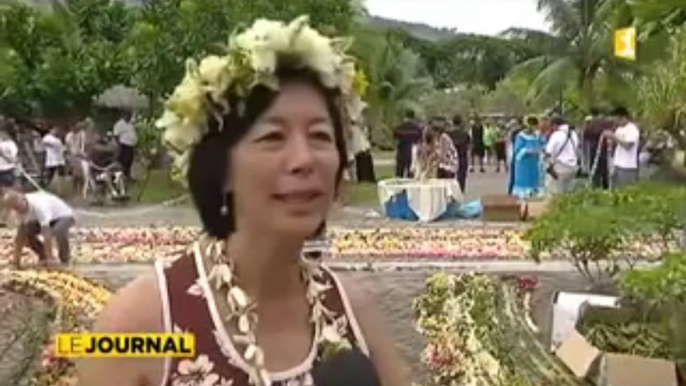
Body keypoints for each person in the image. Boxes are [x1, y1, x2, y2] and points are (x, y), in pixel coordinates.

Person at [77, 16, 408, 386]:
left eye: (319, 136)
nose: (304, 160)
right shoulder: (137, 323)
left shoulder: (352, 315)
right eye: (272, 137)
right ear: (221, 166)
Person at [1, 189, 75, 267]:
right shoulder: (18, 212)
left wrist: (50, 257)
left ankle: (64, 259)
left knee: (59, 231)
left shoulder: (39, 205)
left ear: (23, 198)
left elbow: (46, 233)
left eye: (18, 206)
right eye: (15, 208)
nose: (19, 210)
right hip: (41, 220)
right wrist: (16, 260)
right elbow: (20, 236)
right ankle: (43, 255)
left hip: (63, 216)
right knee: (26, 233)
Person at [604, 106, 641, 188]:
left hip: (627, 167)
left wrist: (613, 136)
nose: (616, 122)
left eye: (617, 119)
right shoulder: (619, 129)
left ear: (624, 117)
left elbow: (628, 145)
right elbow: (617, 144)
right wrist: (611, 141)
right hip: (617, 164)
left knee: (626, 191)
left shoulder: (632, 129)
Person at [544, 117, 580, 195]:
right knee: (569, 194)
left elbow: (548, 151)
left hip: (560, 167)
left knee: (554, 192)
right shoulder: (574, 133)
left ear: (555, 125)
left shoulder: (557, 134)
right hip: (573, 167)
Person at [510, 118, 544, 198]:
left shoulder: (536, 136)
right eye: (531, 125)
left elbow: (541, 145)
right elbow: (517, 150)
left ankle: (533, 194)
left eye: (535, 126)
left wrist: (539, 150)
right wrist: (527, 150)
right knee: (523, 181)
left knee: (534, 179)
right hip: (523, 163)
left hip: (534, 162)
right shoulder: (521, 136)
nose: (533, 128)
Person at [583, 109, 611, 189]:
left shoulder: (591, 126)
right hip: (602, 151)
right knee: (604, 173)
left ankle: (596, 188)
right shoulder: (605, 125)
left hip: (595, 151)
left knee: (596, 172)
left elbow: (586, 136)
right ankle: (605, 187)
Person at [394, 110, 422, 178]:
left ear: (405, 117)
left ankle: (399, 186)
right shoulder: (417, 128)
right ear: (413, 117)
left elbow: (396, 138)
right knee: (411, 171)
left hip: (401, 150)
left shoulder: (399, 127)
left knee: (400, 171)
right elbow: (419, 140)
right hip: (412, 151)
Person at [66, 120, 89, 197]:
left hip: (81, 155)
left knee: (83, 174)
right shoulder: (69, 136)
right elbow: (69, 148)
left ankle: (81, 191)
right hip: (73, 155)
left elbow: (83, 145)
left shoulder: (82, 134)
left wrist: (83, 154)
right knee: (76, 174)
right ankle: (75, 191)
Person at [448, 115, 470, 193]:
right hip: (462, 156)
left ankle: (451, 190)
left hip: (451, 157)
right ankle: (460, 190)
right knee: (462, 174)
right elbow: (468, 144)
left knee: (450, 174)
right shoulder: (465, 133)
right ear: (460, 123)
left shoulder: (448, 134)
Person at [113, 111, 137, 180]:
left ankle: (127, 175)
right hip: (124, 145)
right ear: (124, 115)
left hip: (131, 145)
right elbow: (116, 135)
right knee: (123, 161)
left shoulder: (130, 124)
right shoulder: (119, 124)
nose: (129, 116)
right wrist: (119, 145)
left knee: (129, 161)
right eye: (128, 115)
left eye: (130, 115)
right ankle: (121, 177)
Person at [0, 121, 19, 190]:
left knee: (6, 191)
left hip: (6, 171)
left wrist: (2, 154)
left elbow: (14, 160)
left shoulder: (11, 144)